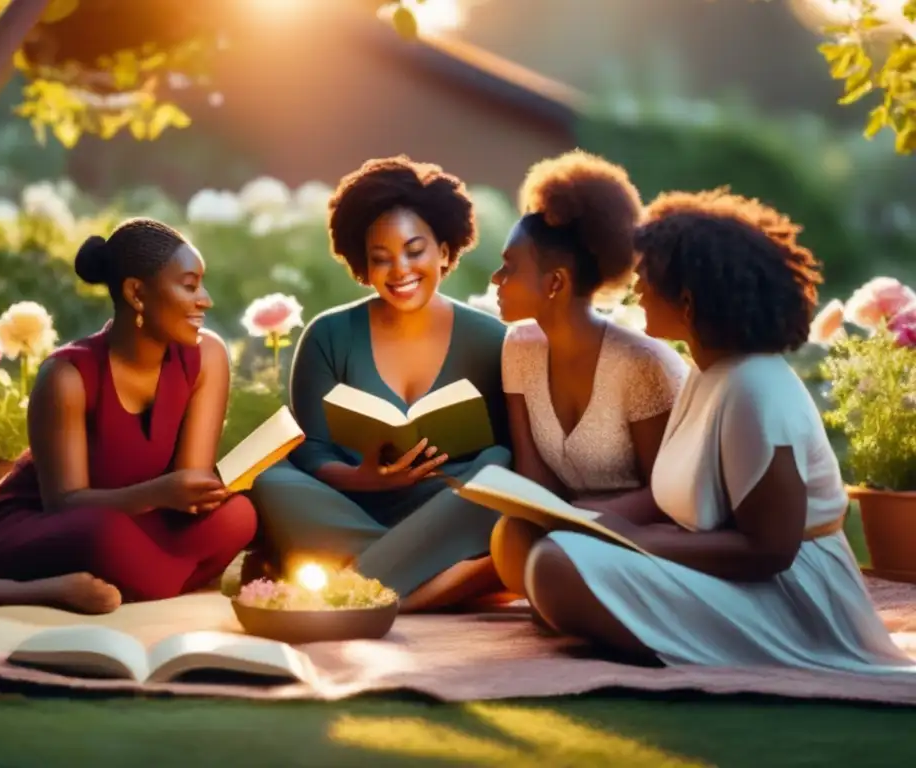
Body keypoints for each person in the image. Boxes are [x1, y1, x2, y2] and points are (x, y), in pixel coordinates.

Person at [520, 188, 915, 672]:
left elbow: (768, 550)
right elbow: (668, 494)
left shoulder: (753, 389)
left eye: (646, 277)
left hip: (786, 599)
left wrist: (630, 540)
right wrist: (578, 515)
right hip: (722, 571)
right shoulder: (709, 370)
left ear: (686, 302)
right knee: (524, 539)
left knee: (555, 567)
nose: (636, 288)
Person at [0, 219, 257, 617]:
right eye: (189, 286)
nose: (205, 299)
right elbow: (64, 506)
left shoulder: (208, 356)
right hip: (52, 526)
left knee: (240, 516)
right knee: (104, 536)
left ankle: (129, 579)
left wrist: (208, 489)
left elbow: (187, 485)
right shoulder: (67, 376)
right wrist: (160, 493)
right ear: (137, 293)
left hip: (145, 525)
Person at [248, 156, 512, 612]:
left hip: (445, 507)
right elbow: (312, 450)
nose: (400, 271)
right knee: (271, 481)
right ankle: (442, 580)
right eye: (380, 258)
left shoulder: (492, 339)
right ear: (362, 265)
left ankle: (351, 587)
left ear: (445, 252)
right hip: (351, 504)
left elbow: (507, 452)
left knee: (498, 468)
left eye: (415, 250)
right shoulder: (328, 335)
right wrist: (363, 478)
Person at [488, 150, 688, 597]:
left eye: (510, 267)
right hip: (569, 528)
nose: (496, 279)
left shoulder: (643, 363)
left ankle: (580, 601)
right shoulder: (518, 348)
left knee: (555, 561)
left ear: (554, 283)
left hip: (644, 538)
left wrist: (584, 521)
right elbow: (532, 475)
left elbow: (669, 497)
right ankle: (567, 597)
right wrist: (558, 520)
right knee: (510, 536)